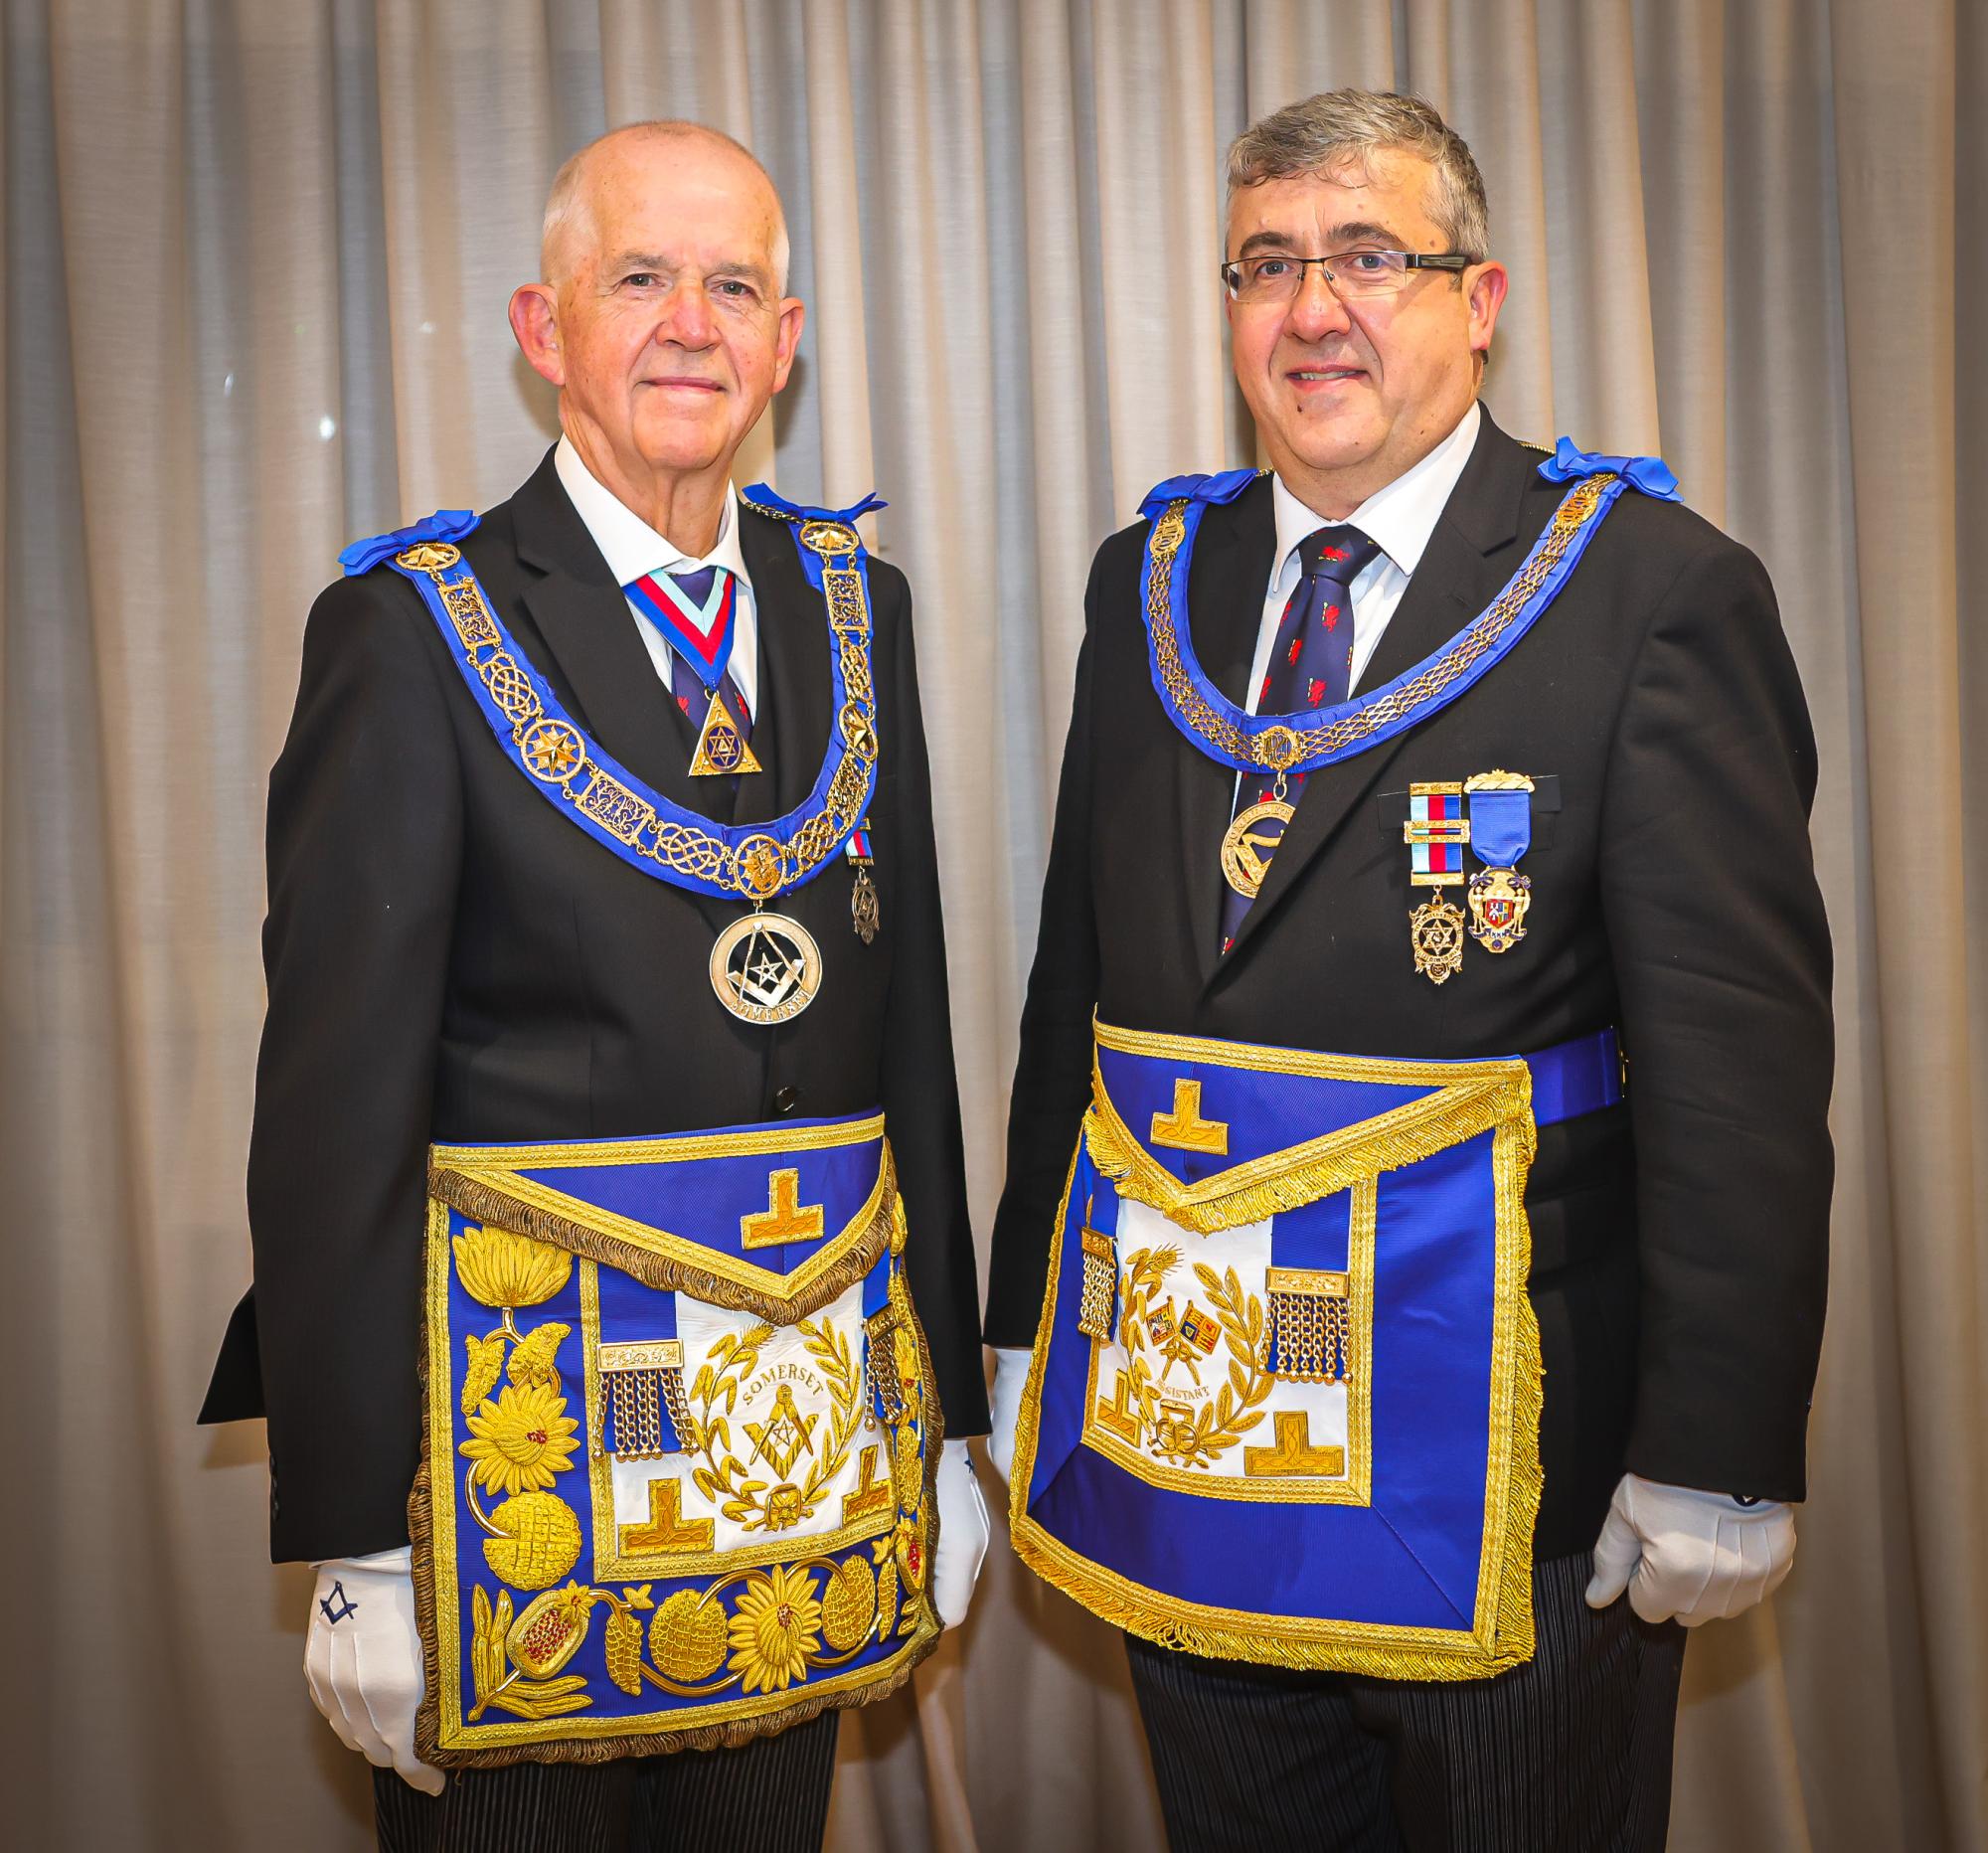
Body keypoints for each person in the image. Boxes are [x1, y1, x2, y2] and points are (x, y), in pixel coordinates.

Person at [984, 88, 1830, 1851]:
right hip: (1187, 1431)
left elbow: (1738, 1061)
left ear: (1481, 297)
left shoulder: (1646, 588)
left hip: (1519, 1468)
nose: (1314, 310)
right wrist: (1018, 1322)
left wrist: (1719, 1437)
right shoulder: (1150, 583)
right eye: (1269, 263)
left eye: (1370, 256)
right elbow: (1078, 983)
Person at [201, 119, 990, 1853]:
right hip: (520, 1492)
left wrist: (944, 1416)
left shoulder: (863, 610)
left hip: (798, 1467)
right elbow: (334, 1113)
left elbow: (907, 1040)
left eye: (733, 287)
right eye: (639, 279)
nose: (689, 326)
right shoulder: (413, 631)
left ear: (788, 339)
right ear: (542, 327)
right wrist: (361, 1535)